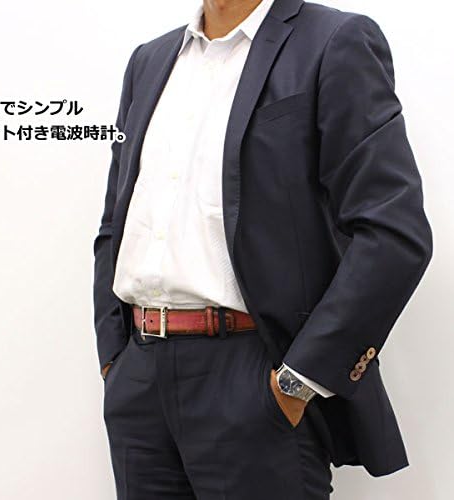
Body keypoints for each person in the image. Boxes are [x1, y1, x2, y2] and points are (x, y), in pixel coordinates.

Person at [92, 0, 433, 498]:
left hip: (252, 373)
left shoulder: (332, 42)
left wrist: (297, 381)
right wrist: (114, 358)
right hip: (140, 384)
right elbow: (116, 220)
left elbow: (393, 231)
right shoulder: (150, 61)